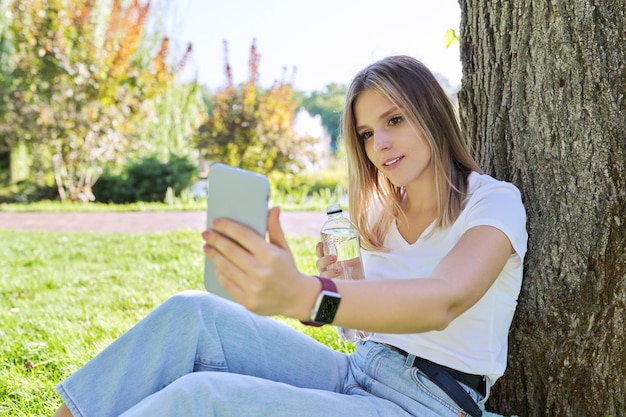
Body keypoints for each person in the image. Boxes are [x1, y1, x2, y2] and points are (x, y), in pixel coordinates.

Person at [52, 55, 527, 417]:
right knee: (190, 313)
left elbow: (442, 301)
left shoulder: (492, 202)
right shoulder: (379, 214)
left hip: (427, 405)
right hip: (358, 371)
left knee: (203, 399)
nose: (379, 144)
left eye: (395, 120)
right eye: (365, 133)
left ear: (433, 115)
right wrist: (333, 297)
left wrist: (308, 295)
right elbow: (358, 327)